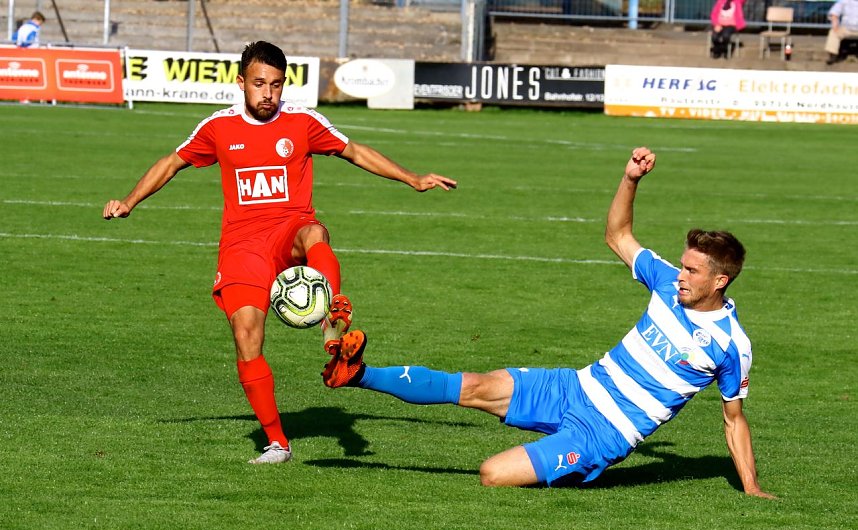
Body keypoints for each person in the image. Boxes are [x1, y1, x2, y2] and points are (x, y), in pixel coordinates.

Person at [322, 147, 775, 498]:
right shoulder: (665, 283)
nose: (680, 275)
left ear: (720, 280)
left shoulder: (731, 345)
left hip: (605, 432)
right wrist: (630, 179)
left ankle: (574, 465)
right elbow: (617, 235)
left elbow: (733, 419)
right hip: (575, 386)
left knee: (492, 474)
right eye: (682, 265)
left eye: (692, 271)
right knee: (475, 385)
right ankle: (356, 374)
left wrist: (750, 486)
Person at [102, 41, 456, 464]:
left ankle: (334, 322)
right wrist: (129, 200)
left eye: (275, 84)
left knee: (313, 233)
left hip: (289, 229)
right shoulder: (218, 128)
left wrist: (412, 178)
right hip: (242, 246)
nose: (267, 93)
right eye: (258, 84)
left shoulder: (302, 122)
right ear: (241, 83)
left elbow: (354, 151)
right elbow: (171, 162)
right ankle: (277, 443)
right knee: (246, 336)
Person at [825, 0, 858, 65]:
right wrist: (835, 25)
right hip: (846, 29)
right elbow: (834, 14)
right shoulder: (844, 1)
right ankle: (833, 55)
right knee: (833, 32)